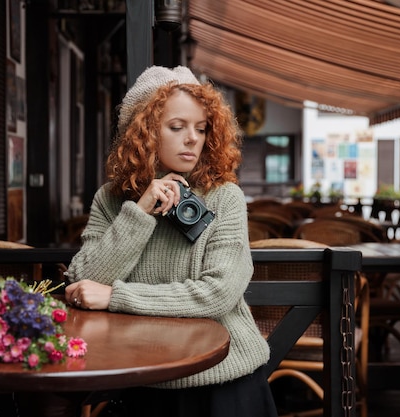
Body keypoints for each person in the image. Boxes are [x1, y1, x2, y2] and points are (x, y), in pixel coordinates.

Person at [64, 66, 278, 417]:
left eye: (201, 128)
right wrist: (141, 211)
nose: (192, 138)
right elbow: (84, 281)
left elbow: (219, 293)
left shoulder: (224, 197)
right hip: (141, 381)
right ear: (143, 133)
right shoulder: (112, 200)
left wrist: (118, 297)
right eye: (177, 127)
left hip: (223, 384)